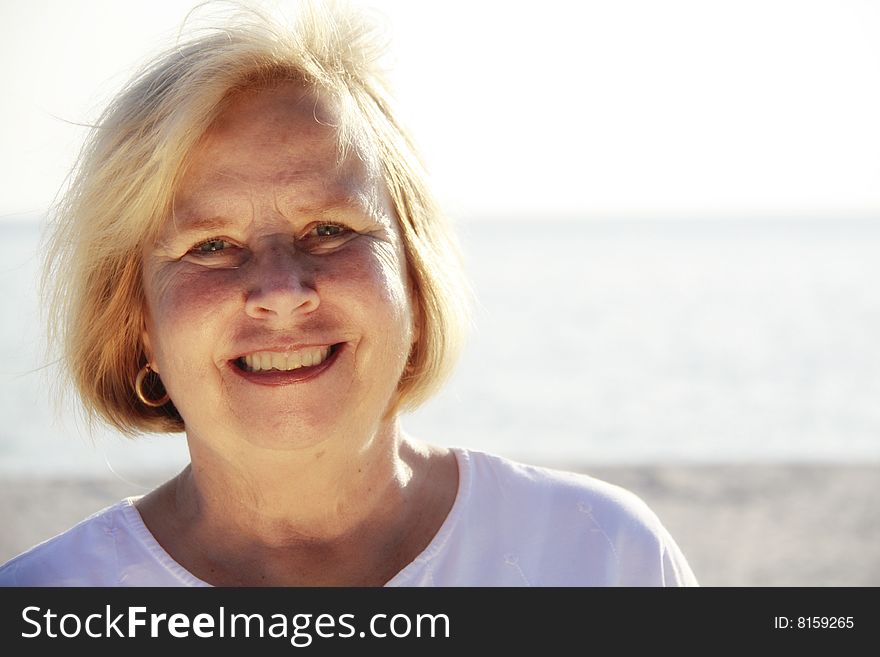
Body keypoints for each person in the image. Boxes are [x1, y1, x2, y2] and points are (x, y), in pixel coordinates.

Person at [0, 1, 696, 587]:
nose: (280, 291)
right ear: (136, 325)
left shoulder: (602, 557)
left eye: (329, 228)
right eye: (211, 245)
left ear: (416, 278)